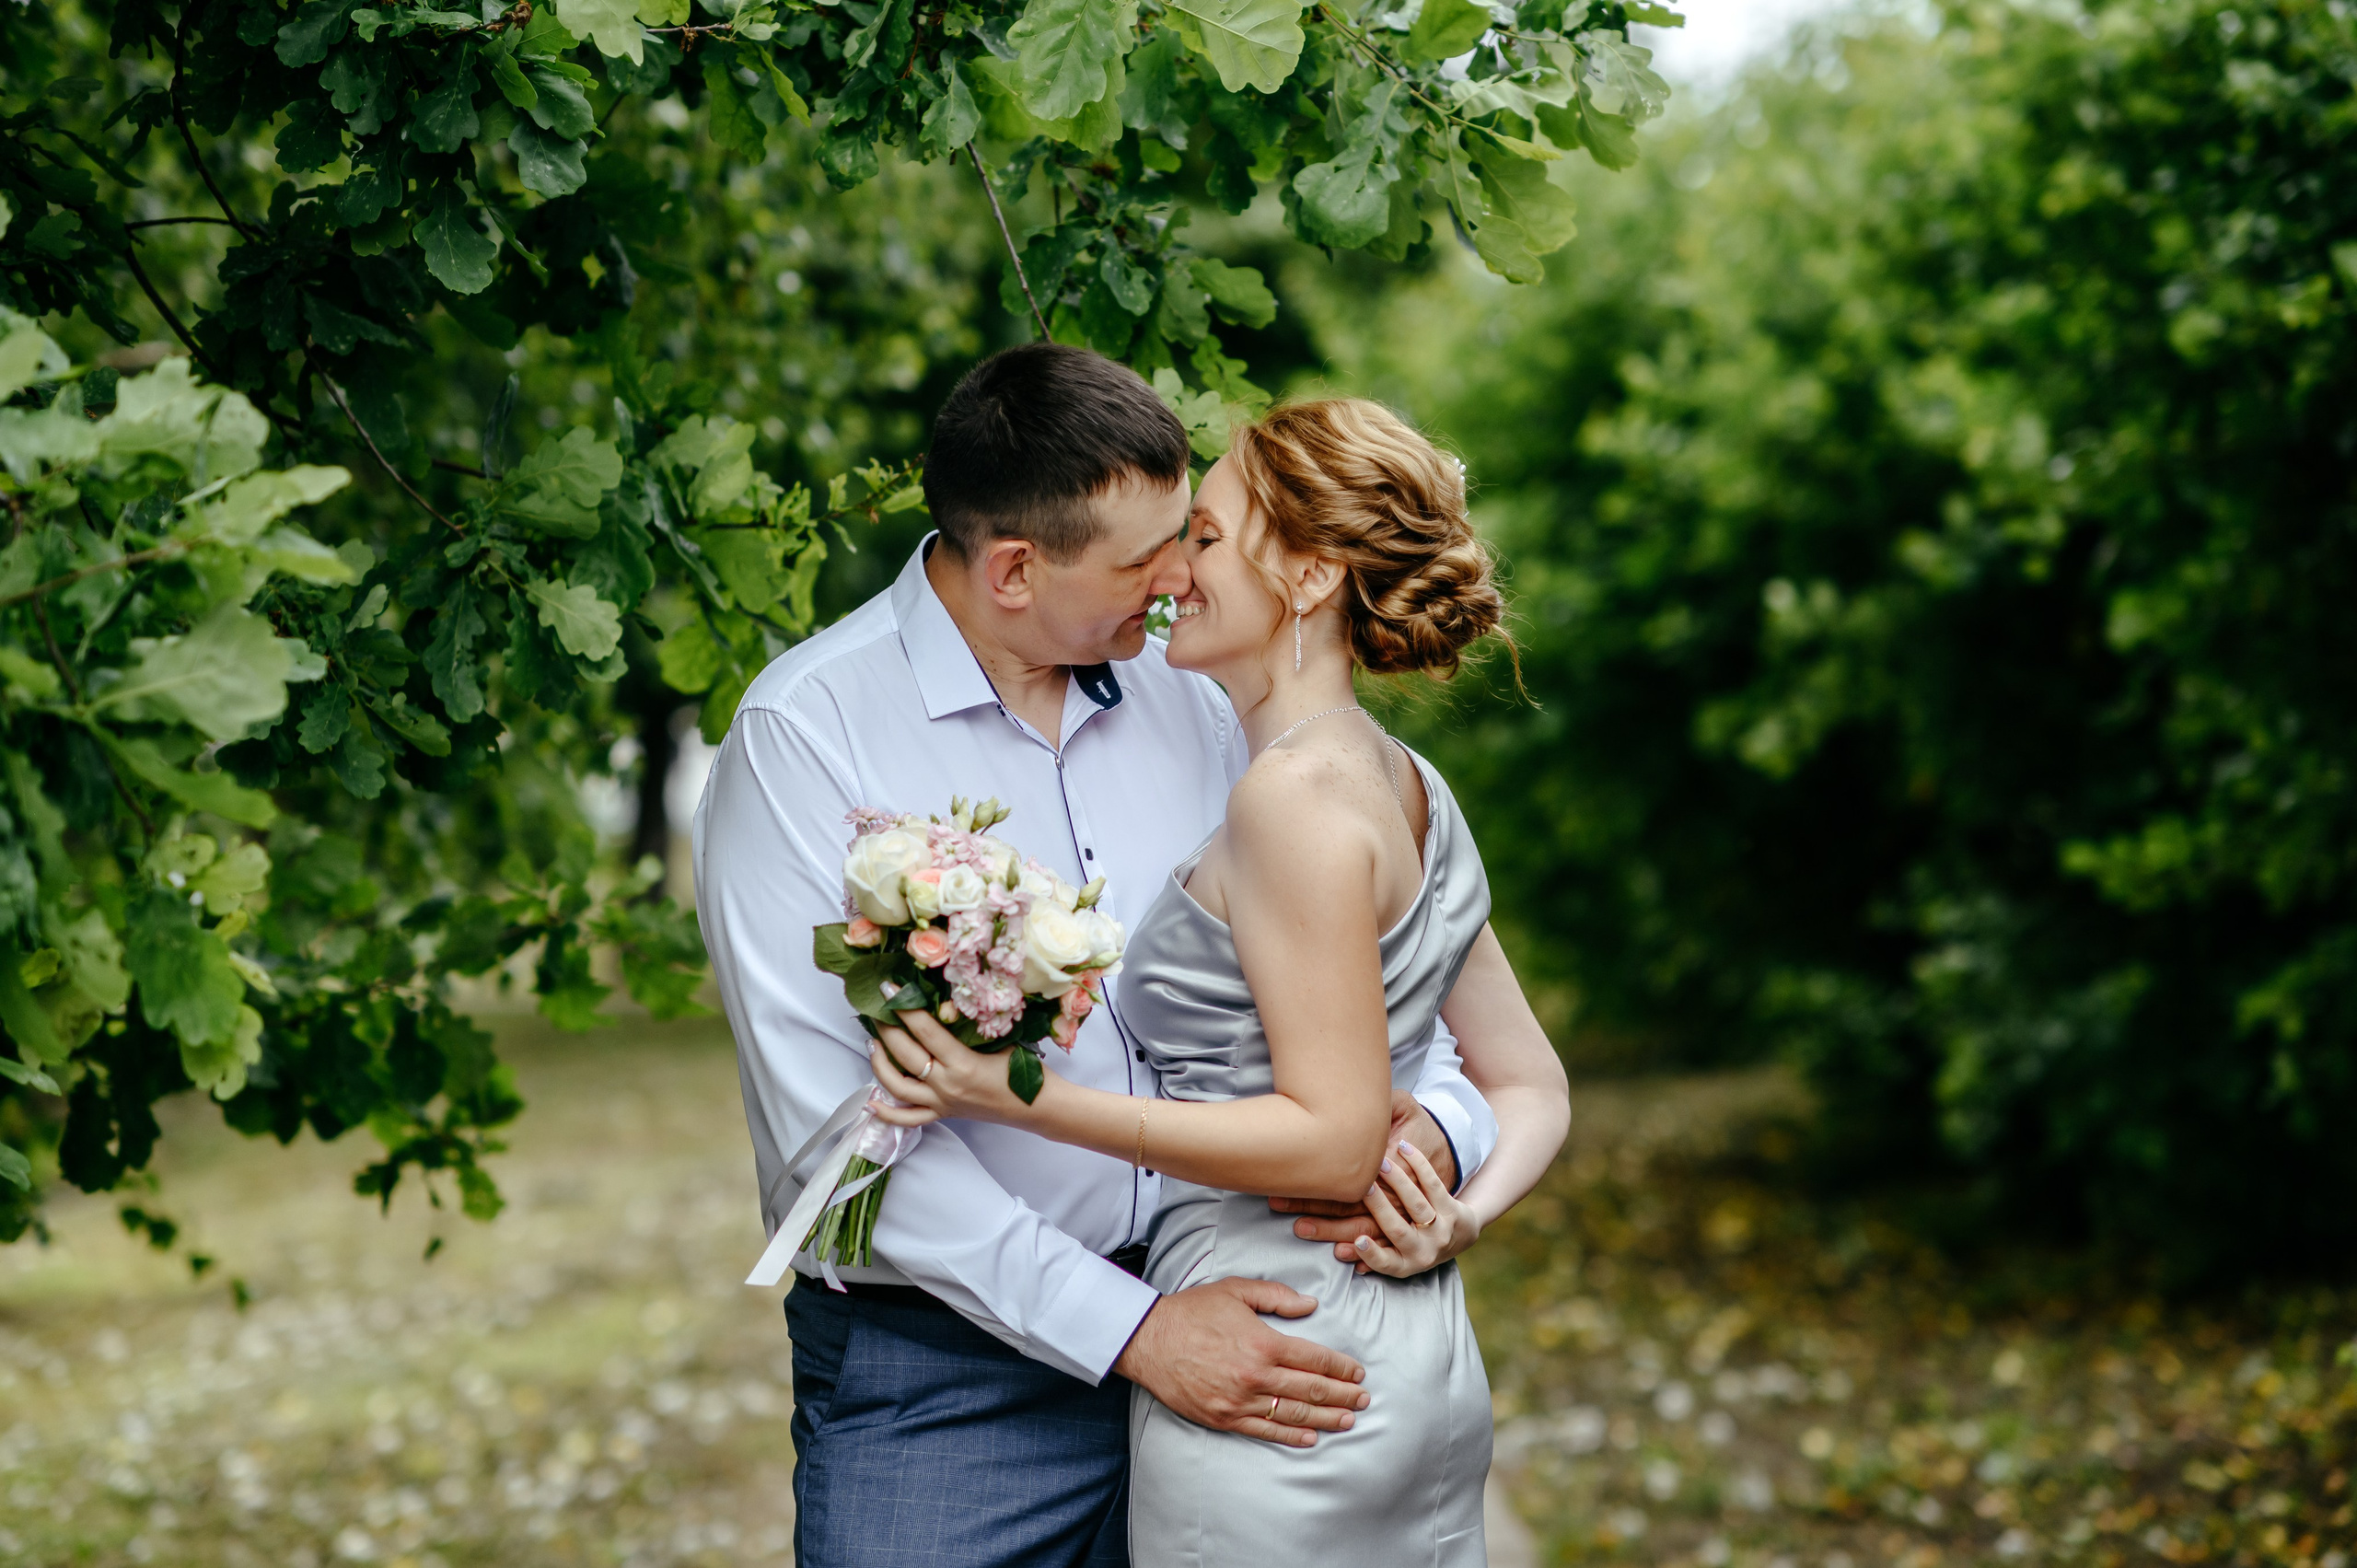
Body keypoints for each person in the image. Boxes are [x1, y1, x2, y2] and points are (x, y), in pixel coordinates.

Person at [692, 344, 1560, 1568]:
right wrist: (1138, 1332)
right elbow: (836, 1141)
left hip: (1266, 1325)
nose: (1174, 582)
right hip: (953, 1384)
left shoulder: (1209, 689)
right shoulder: (808, 737)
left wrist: (1439, 1137)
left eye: (1193, 537)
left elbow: (1398, 1002)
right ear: (1013, 570)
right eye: (1149, 556)